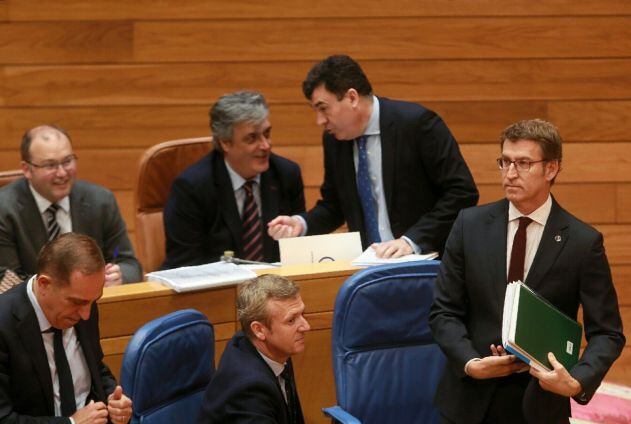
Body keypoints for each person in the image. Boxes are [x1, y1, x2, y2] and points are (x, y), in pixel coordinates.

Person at [430, 119, 625, 424]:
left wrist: (576, 381)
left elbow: (608, 332)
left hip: (535, 410)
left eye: (523, 163)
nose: (510, 173)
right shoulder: (468, 225)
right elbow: (444, 312)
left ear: (551, 168)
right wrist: (470, 363)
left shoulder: (582, 242)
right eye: (505, 161)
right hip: (468, 403)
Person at [268, 55, 479, 258]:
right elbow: (334, 206)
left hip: (426, 262)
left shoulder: (417, 125)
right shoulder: (334, 141)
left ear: (352, 97)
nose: (320, 121)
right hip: (369, 267)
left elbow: (462, 193)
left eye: (323, 109)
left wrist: (411, 240)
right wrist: (302, 223)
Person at [178, 274, 365, 424]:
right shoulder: (248, 385)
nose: (305, 326)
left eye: (302, 314)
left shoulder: (267, 348)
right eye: (291, 320)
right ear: (259, 330)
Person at [0, 233, 134, 424]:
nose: (86, 314)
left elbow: (93, 368)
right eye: (77, 302)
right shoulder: (3, 325)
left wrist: (112, 400)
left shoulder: (83, 306)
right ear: (45, 284)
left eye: (92, 301)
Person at [162, 91, 305, 269]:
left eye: (266, 134)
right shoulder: (192, 188)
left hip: (275, 288)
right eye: (252, 138)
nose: (266, 145)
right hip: (216, 290)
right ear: (225, 143)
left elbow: (299, 251)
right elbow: (184, 266)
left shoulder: (286, 175)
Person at [0, 125, 142, 286]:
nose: (62, 173)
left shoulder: (101, 201)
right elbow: (8, 281)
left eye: (67, 161)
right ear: (27, 169)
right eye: (50, 165)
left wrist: (119, 275)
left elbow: (128, 263)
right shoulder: (4, 210)